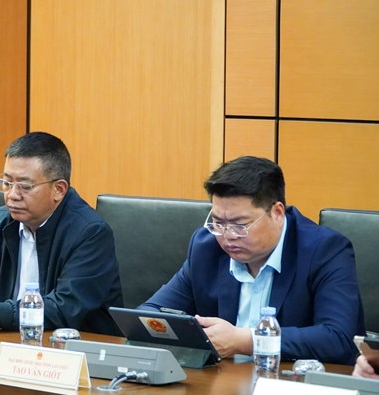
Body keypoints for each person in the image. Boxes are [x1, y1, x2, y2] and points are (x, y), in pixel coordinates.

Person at [141, 156, 364, 364]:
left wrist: (246, 341)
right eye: (218, 222)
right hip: (222, 382)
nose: (227, 235)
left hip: (293, 384)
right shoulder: (206, 247)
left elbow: (339, 338)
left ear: (277, 213)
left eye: (240, 225)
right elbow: (148, 315)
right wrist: (194, 332)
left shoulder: (325, 250)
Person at [0, 131, 123, 334]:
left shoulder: (90, 233)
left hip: (72, 346)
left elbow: (64, 309)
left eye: (25, 186)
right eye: (7, 183)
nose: (12, 195)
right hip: (5, 339)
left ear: (59, 189)